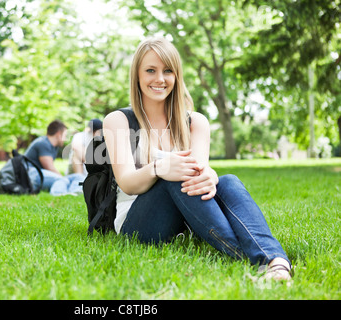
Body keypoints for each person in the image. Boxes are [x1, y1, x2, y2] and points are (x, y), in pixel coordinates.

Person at [103, 38, 292, 281]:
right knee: (174, 174)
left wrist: (209, 176)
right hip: (138, 223)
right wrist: (160, 168)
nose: (160, 79)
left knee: (229, 181)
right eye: (150, 70)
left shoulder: (196, 122)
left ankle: (276, 261)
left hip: (186, 218)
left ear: (177, 76)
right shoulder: (118, 120)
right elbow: (127, 182)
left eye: (168, 71)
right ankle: (254, 259)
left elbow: (199, 174)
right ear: (137, 75)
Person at [24, 120, 85, 196]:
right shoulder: (43, 143)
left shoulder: (53, 146)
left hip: (41, 174)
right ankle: (59, 194)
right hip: (31, 174)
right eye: (65, 135)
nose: (65, 139)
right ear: (59, 134)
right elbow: (50, 168)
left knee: (79, 176)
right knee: (62, 179)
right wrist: (64, 178)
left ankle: (74, 192)